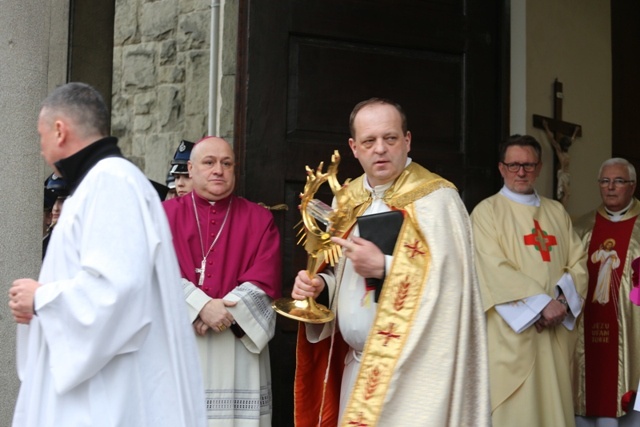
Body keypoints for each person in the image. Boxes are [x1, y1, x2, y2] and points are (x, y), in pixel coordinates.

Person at [8, 82, 206, 427]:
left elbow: (116, 292)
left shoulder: (111, 184)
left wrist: (42, 298)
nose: (41, 150)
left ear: (59, 130)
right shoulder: (100, 185)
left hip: (110, 396)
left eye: (40, 137)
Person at [291, 98, 491, 426]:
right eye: (369, 141)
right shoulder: (347, 200)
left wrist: (384, 267)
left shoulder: (437, 199)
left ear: (407, 140)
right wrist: (319, 289)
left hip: (415, 378)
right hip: (358, 371)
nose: (380, 149)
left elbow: (455, 289)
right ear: (354, 147)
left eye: (391, 138)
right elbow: (345, 280)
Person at [163, 136, 282, 426]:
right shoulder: (163, 215)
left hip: (237, 349)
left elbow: (266, 280)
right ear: (190, 169)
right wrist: (200, 305)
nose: (219, 170)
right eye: (209, 162)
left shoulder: (259, 218)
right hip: (181, 346)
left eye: (226, 163)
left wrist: (223, 312)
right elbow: (150, 274)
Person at [470, 134, 588, 427]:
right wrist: (540, 305)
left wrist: (561, 302)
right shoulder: (486, 212)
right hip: (512, 334)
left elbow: (579, 261)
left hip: (556, 332)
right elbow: (491, 267)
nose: (520, 172)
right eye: (513, 165)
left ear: (539, 167)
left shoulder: (556, 212)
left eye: (528, 165)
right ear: (501, 168)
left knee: (554, 409)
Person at [573, 157, 640, 426]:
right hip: (586, 328)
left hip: (634, 332)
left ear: (632, 186)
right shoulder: (581, 228)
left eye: (618, 181)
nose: (610, 187)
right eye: (605, 181)